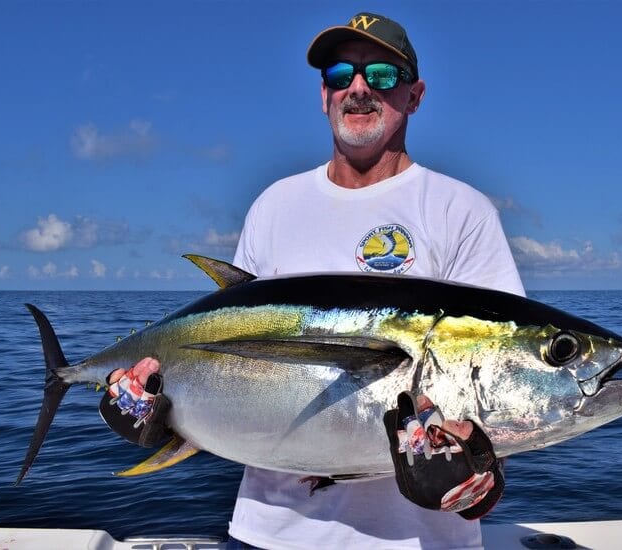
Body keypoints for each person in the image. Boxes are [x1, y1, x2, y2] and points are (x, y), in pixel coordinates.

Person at [107, 12, 524, 549]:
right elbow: (228, 366)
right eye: (340, 74)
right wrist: (158, 417)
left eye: (382, 74)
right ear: (324, 95)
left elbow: (498, 394)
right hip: (267, 536)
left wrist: (477, 482)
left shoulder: (460, 211)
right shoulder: (274, 205)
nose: (358, 88)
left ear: (415, 96)